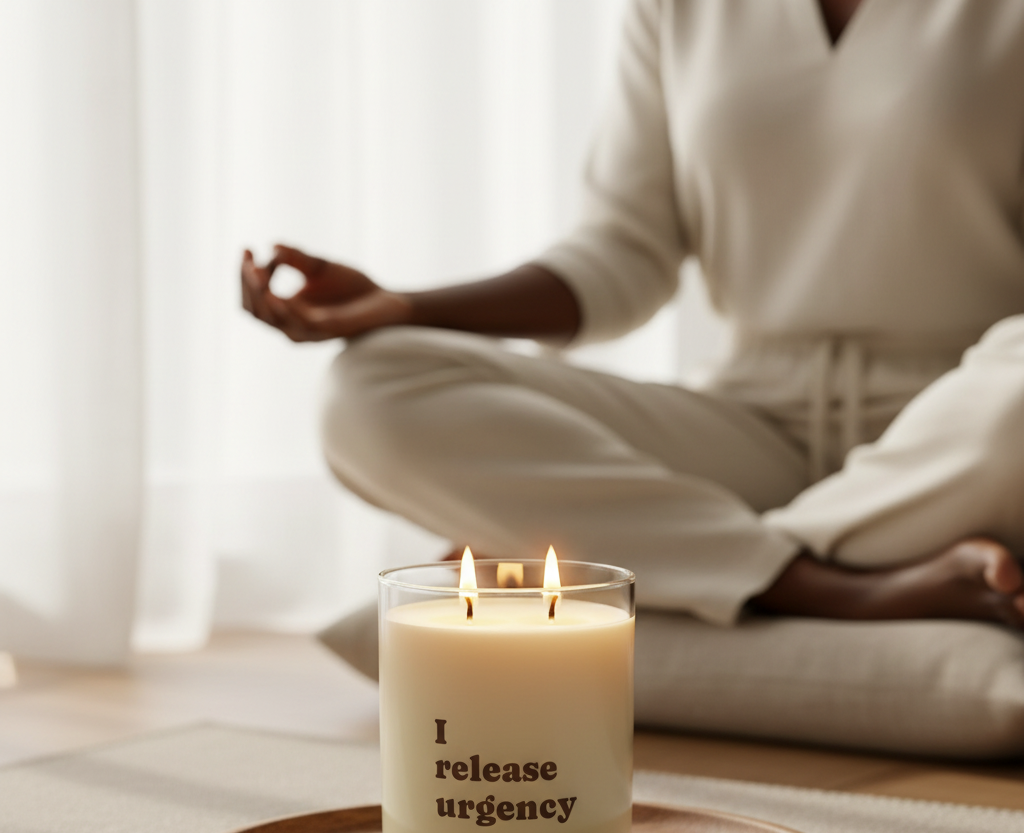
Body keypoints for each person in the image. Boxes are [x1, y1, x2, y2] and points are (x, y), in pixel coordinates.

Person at [241, 0, 1024, 629]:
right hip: (752, 427)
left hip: (966, 431)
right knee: (373, 386)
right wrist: (406, 307)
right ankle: (829, 585)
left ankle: (697, 557)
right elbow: (622, 254)